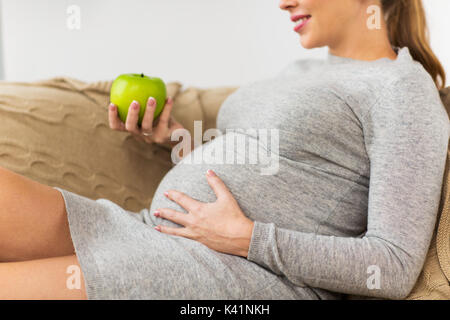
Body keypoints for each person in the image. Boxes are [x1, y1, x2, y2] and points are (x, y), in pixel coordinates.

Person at [0, 0, 448, 300]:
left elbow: (392, 264)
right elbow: (272, 166)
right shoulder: (300, 69)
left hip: (234, 272)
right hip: (155, 229)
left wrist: (248, 238)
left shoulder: (401, 88)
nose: (283, 2)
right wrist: (173, 138)